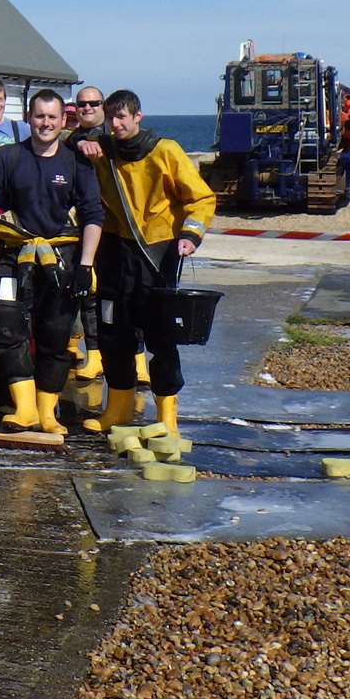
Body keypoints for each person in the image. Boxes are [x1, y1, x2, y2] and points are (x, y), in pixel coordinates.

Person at [75, 89, 216, 438]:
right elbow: (67, 141)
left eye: (123, 117)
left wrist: (191, 235)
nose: (117, 124)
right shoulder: (102, 149)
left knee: (161, 336)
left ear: (139, 116)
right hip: (114, 251)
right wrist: (83, 142)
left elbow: (200, 198)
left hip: (157, 253)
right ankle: (118, 407)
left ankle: (167, 414)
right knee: (113, 333)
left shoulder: (165, 151)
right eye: (112, 118)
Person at [0, 89, 103, 435]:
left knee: (56, 335)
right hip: (14, 256)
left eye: (52, 117)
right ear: (28, 119)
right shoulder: (5, 158)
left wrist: (85, 266)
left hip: (60, 259)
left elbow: (93, 215)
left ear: (64, 121)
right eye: (39, 116)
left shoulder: (76, 163)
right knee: (8, 331)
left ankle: (48, 412)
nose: (45, 123)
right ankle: (25, 408)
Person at [61, 85, 114, 392]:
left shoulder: (115, 136)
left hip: (118, 228)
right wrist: (80, 138)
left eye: (94, 103)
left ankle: (135, 360)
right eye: (82, 104)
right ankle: (92, 354)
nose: (87, 108)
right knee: (88, 292)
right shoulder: (73, 140)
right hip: (86, 225)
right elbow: (65, 137)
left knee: (120, 297)